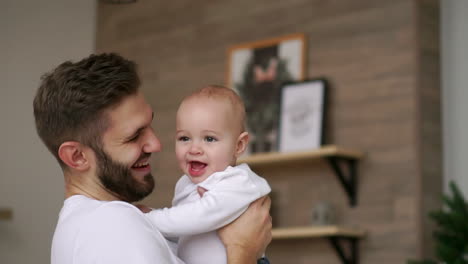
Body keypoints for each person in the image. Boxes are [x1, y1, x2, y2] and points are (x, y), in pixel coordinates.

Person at [32, 53, 272, 264]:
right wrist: (243, 251)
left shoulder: (89, 225)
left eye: (150, 126)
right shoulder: (111, 224)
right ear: (77, 156)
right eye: (134, 136)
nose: (156, 144)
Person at [140, 85, 271, 264]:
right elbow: (184, 226)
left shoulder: (238, 182)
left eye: (209, 139)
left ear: (239, 146)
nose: (194, 149)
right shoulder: (185, 184)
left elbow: (200, 216)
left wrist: (147, 218)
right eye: (184, 138)